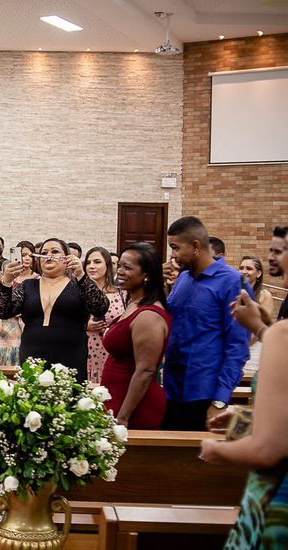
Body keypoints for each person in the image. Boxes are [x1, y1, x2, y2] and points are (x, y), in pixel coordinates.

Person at [199, 239, 288, 548]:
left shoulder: (282, 336)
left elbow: (267, 449)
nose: (274, 258)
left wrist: (214, 450)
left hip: (278, 501)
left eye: (281, 251)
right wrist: (244, 415)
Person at [161, 216, 249, 431]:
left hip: (204, 392)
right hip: (172, 389)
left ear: (196, 246)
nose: (173, 255)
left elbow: (237, 346)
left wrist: (220, 400)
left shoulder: (232, 281)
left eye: (175, 248)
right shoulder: (183, 278)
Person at [0, 238, 108, 381]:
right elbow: (2, 311)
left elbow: (100, 308)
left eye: (55, 251)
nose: (48, 255)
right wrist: (6, 281)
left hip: (70, 356)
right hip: (32, 356)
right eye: (44, 252)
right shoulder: (28, 286)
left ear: (67, 258)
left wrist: (80, 275)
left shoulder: (79, 285)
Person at [101, 243, 170, 429]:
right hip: (116, 396)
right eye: (120, 266)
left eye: (128, 267)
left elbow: (145, 371)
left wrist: (123, 417)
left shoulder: (149, 316)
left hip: (134, 406)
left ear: (146, 274)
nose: (120, 271)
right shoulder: (133, 302)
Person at [84, 246, 124, 384]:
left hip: (111, 354)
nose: (91, 266)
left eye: (97, 262)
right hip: (85, 351)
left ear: (107, 265)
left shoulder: (122, 294)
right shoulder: (77, 292)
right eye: (88, 263)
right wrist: (85, 325)